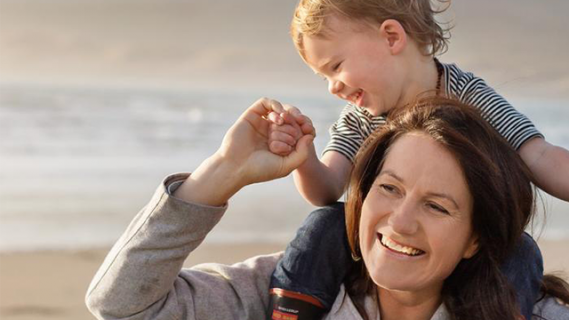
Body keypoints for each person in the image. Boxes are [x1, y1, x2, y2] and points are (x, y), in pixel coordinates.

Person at [85, 97, 569, 320]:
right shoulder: (287, 292)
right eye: (390, 188)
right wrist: (222, 172)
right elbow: (123, 304)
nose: (399, 222)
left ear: (476, 239)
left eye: (438, 207)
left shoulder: (533, 312)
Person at [265, 0, 569, 318]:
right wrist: (303, 158)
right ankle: (290, 310)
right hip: (384, 242)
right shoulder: (358, 119)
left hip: (462, 244)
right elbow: (326, 190)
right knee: (324, 224)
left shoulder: (469, 97)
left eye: (336, 66)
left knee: (520, 250)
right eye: (323, 76)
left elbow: (539, 155)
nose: (332, 87)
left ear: (392, 37)